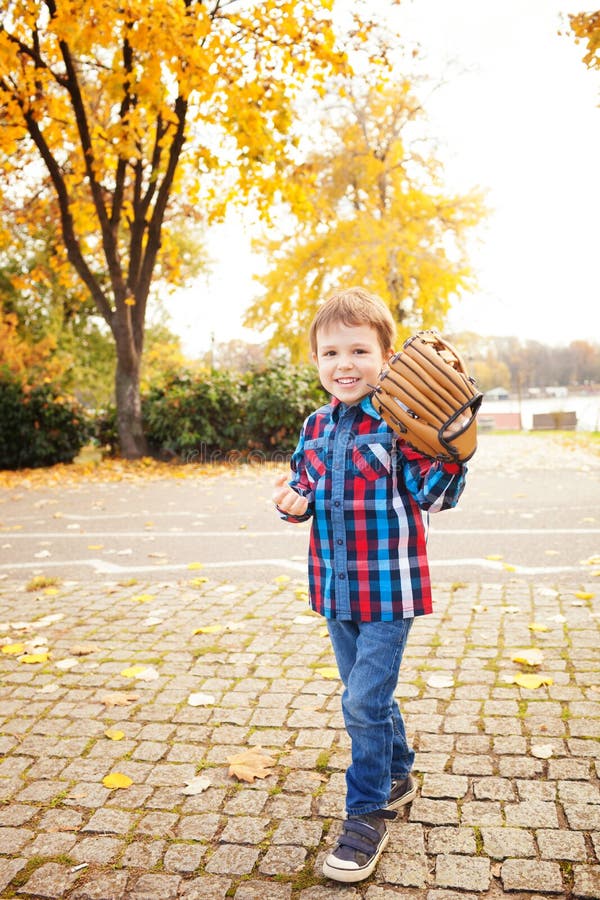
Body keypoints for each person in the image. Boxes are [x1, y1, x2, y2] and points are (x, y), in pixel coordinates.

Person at [273, 287, 469, 884]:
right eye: (331, 353)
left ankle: (367, 812)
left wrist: (453, 453)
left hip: (389, 590)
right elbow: (303, 486)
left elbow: (434, 495)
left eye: (360, 350)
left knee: (362, 701)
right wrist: (290, 502)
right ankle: (399, 773)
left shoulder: (403, 422)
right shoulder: (314, 424)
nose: (345, 364)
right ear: (316, 360)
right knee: (369, 696)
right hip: (334, 588)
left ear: (387, 357)